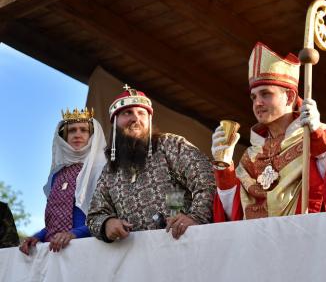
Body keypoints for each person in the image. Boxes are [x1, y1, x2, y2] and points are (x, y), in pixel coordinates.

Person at [211, 42, 326, 221]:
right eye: (254, 97)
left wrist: (316, 137)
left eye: (266, 94)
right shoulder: (251, 156)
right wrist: (224, 165)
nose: (257, 103)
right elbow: (233, 215)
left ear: (289, 96)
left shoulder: (322, 136)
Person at [86, 85, 215, 241]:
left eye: (142, 113)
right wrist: (107, 223)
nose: (136, 118)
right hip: (138, 258)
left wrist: (196, 216)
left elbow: (207, 178)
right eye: (127, 113)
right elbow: (94, 216)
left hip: (183, 244)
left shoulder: (170, 144)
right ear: (114, 122)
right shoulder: (109, 170)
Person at [19, 108, 106, 255]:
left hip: (88, 248)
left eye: (83, 130)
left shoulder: (101, 169)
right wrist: (37, 237)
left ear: (92, 135)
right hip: (55, 250)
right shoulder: (57, 175)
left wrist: (74, 233)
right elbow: (54, 220)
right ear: (64, 136)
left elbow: (106, 213)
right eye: (72, 130)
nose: (77, 134)